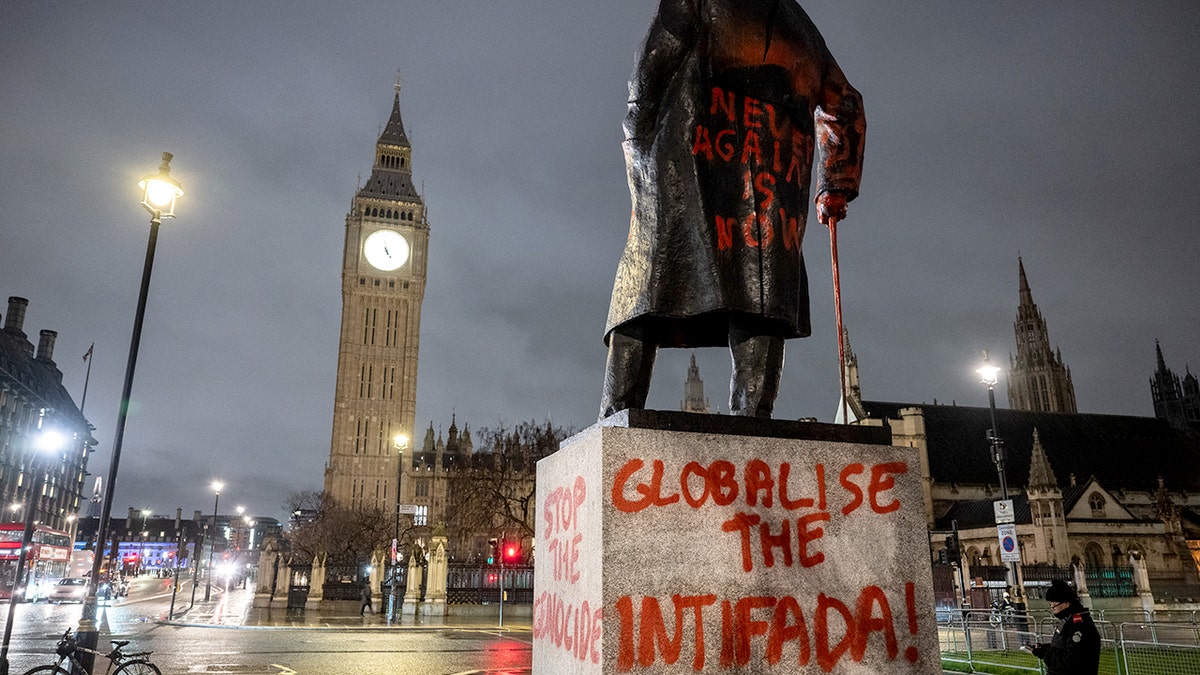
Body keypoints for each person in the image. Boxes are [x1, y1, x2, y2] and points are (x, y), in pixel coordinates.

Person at [601, 0, 866, 419]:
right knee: (759, 298)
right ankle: (752, 416)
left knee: (648, 286)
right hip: (771, 185)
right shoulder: (798, 24)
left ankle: (617, 411)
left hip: (687, 165)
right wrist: (835, 184)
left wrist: (638, 135)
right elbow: (845, 104)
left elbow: (654, 61)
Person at [1030, 579, 1100, 675]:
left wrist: (1045, 653)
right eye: (1050, 604)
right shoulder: (1067, 621)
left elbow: (1069, 661)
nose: (1052, 607)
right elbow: (1062, 645)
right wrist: (1044, 648)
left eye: (1055, 604)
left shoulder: (1079, 626)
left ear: (1067, 603)